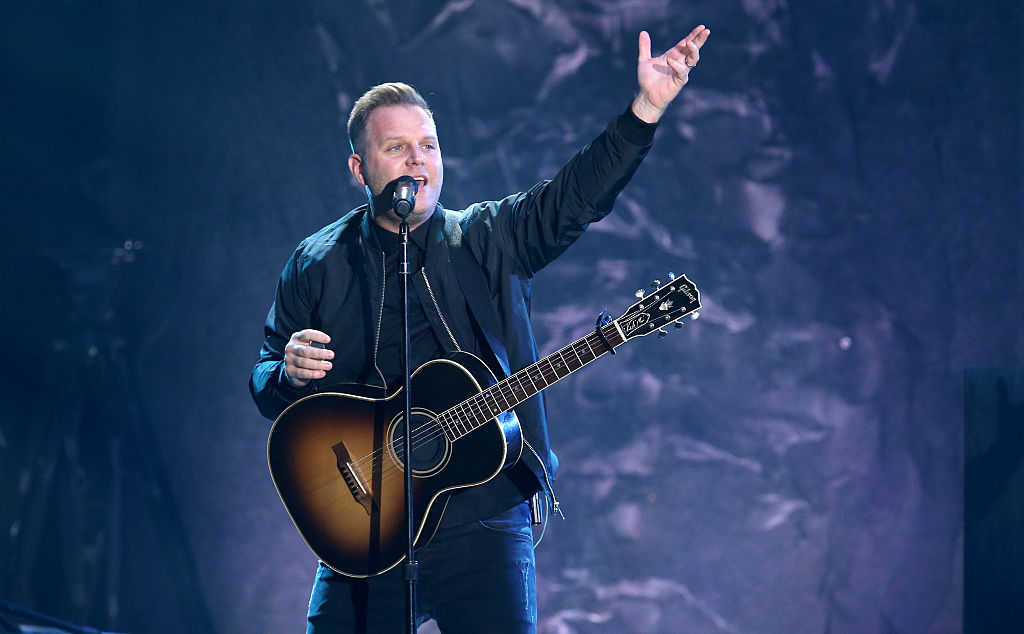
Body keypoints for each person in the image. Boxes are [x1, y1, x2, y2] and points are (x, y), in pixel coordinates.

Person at [250, 24, 710, 634]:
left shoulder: (487, 236)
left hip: (487, 518)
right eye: (398, 149)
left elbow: (574, 198)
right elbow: (264, 378)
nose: (418, 159)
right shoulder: (318, 262)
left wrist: (646, 109)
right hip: (365, 523)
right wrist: (284, 371)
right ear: (360, 169)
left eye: (429, 146)